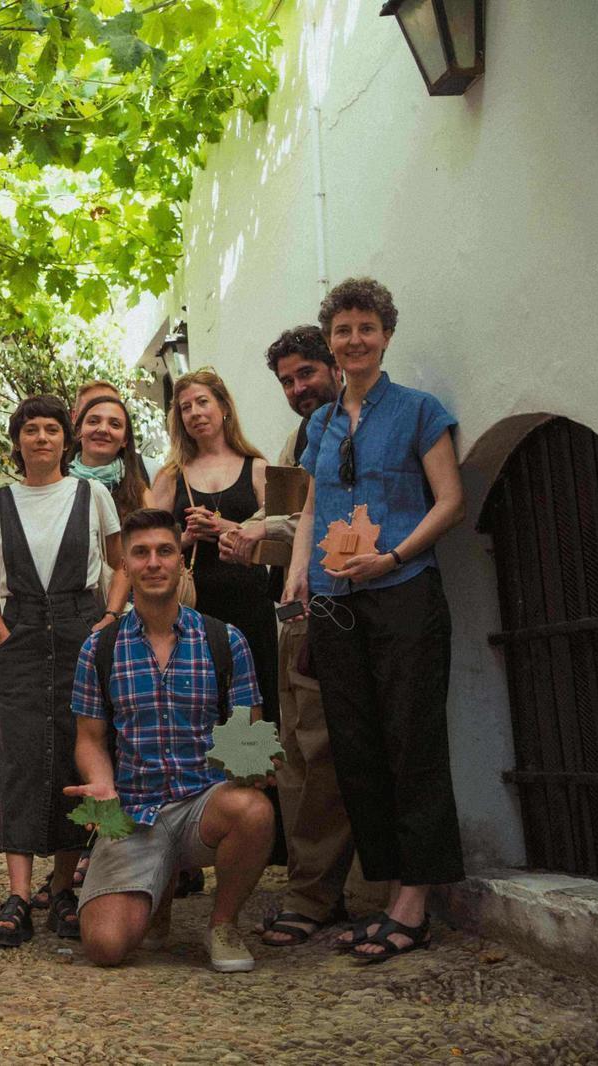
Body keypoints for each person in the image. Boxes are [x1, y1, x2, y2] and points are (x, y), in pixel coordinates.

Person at [285, 278, 466, 962]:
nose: (355, 339)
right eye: (343, 330)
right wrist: (299, 569)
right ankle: (390, 894)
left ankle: (414, 905)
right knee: (357, 748)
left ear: (386, 335)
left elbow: (449, 501)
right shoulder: (320, 425)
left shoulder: (419, 410)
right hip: (334, 601)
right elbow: (312, 506)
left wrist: (392, 556)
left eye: (366, 327)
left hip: (404, 591)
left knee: (411, 740)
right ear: (330, 344)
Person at [67, 509, 273, 972]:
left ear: (181, 561)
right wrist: (101, 787)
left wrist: (253, 763)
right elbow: (90, 740)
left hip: (204, 805)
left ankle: (223, 924)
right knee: (105, 947)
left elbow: (247, 729)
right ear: (125, 566)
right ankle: (157, 895)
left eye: (165, 551)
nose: (154, 562)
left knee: (254, 811)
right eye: (141, 553)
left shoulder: (225, 640)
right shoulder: (99, 648)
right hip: (134, 811)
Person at [217, 325, 358, 947]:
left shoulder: (341, 432)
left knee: (318, 751)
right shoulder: (300, 438)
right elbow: (285, 520)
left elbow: (321, 519)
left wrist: (257, 530)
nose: (298, 388)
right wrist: (242, 534)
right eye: (287, 381)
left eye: (306, 374)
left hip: (329, 606)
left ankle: (320, 890)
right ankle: (301, 880)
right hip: (278, 616)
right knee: (294, 750)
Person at [0, 396, 125, 947]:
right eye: (31, 430)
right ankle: (18, 895)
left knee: (74, 749)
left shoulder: (92, 494)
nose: (41, 438)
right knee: (19, 754)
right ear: (18, 441)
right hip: (22, 632)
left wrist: (109, 618)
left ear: (67, 439)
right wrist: (1, 631)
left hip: (80, 628)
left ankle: (62, 890)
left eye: (52, 429)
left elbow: (121, 563)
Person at [150, 370, 278, 726]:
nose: (194, 413)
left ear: (223, 407)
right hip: (194, 607)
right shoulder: (171, 476)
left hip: (251, 606)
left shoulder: (258, 468)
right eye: (185, 407)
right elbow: (149, 544)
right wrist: (185, 539)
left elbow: (281, 538)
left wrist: (228, 528)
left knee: (255, 709)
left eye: (202, 402)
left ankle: (252, 764)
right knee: (199, 705)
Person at [70, 387, 151, 514]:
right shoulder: (55, 483)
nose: (103, 429)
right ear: (79, 430)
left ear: (125, 439)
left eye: (115, 424)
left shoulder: (142, 497)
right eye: (93, 421)